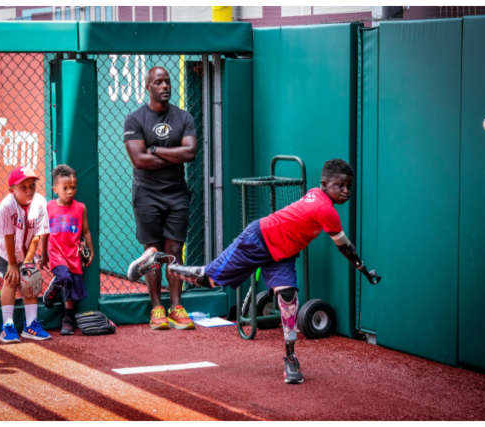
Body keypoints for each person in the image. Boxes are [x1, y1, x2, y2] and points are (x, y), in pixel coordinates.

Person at [167, 159, 381, 385]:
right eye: (340, 185)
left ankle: (290, 359)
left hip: (283, 253)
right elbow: (346, 247)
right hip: (258, 240)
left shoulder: (318, 194)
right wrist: (364, 270)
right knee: (208, 280)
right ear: (325, 184)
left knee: (289, 297)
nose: (346, 190)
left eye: (349, 186)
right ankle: (167, 262)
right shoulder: (325, 209)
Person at [122, 66, 201, 332]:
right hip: (146, 193)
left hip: (177, 193)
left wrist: (155, 148)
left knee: (174, 251)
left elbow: (190, 153)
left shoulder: (183, 117)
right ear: (148, 87)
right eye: (159, 82)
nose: (165, 86)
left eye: (167, 81)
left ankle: (176, 306)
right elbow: (139, 160)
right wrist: (170, 152)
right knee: (152, 253)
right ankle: (157, 306)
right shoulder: (135, 119)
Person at [0, 167, 52, 343]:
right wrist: (12, 264)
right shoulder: (7, 205)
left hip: (26, 246)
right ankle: (7, 326)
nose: (29, 190)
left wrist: (26, 263)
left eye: (32, 186)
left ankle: (31, 325)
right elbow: (8, 237)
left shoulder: (40, 202)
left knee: (29, 278)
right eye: (23, 187)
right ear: (12, 190)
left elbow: (37, 235)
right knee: (11, 278)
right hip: (4, 246)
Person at [41, 165, 95, 336]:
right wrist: (44, 255)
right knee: (64, 277)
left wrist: (90, 251)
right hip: (56, 253)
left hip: (73, 254)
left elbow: (86, 232)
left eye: (73, 187)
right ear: (55, 189)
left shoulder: (80, 208)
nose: (70, 191)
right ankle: (54, 288)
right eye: (65, 188)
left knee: (72, 286)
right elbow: (45, 232)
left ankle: (68, 320)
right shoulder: (49, 207)